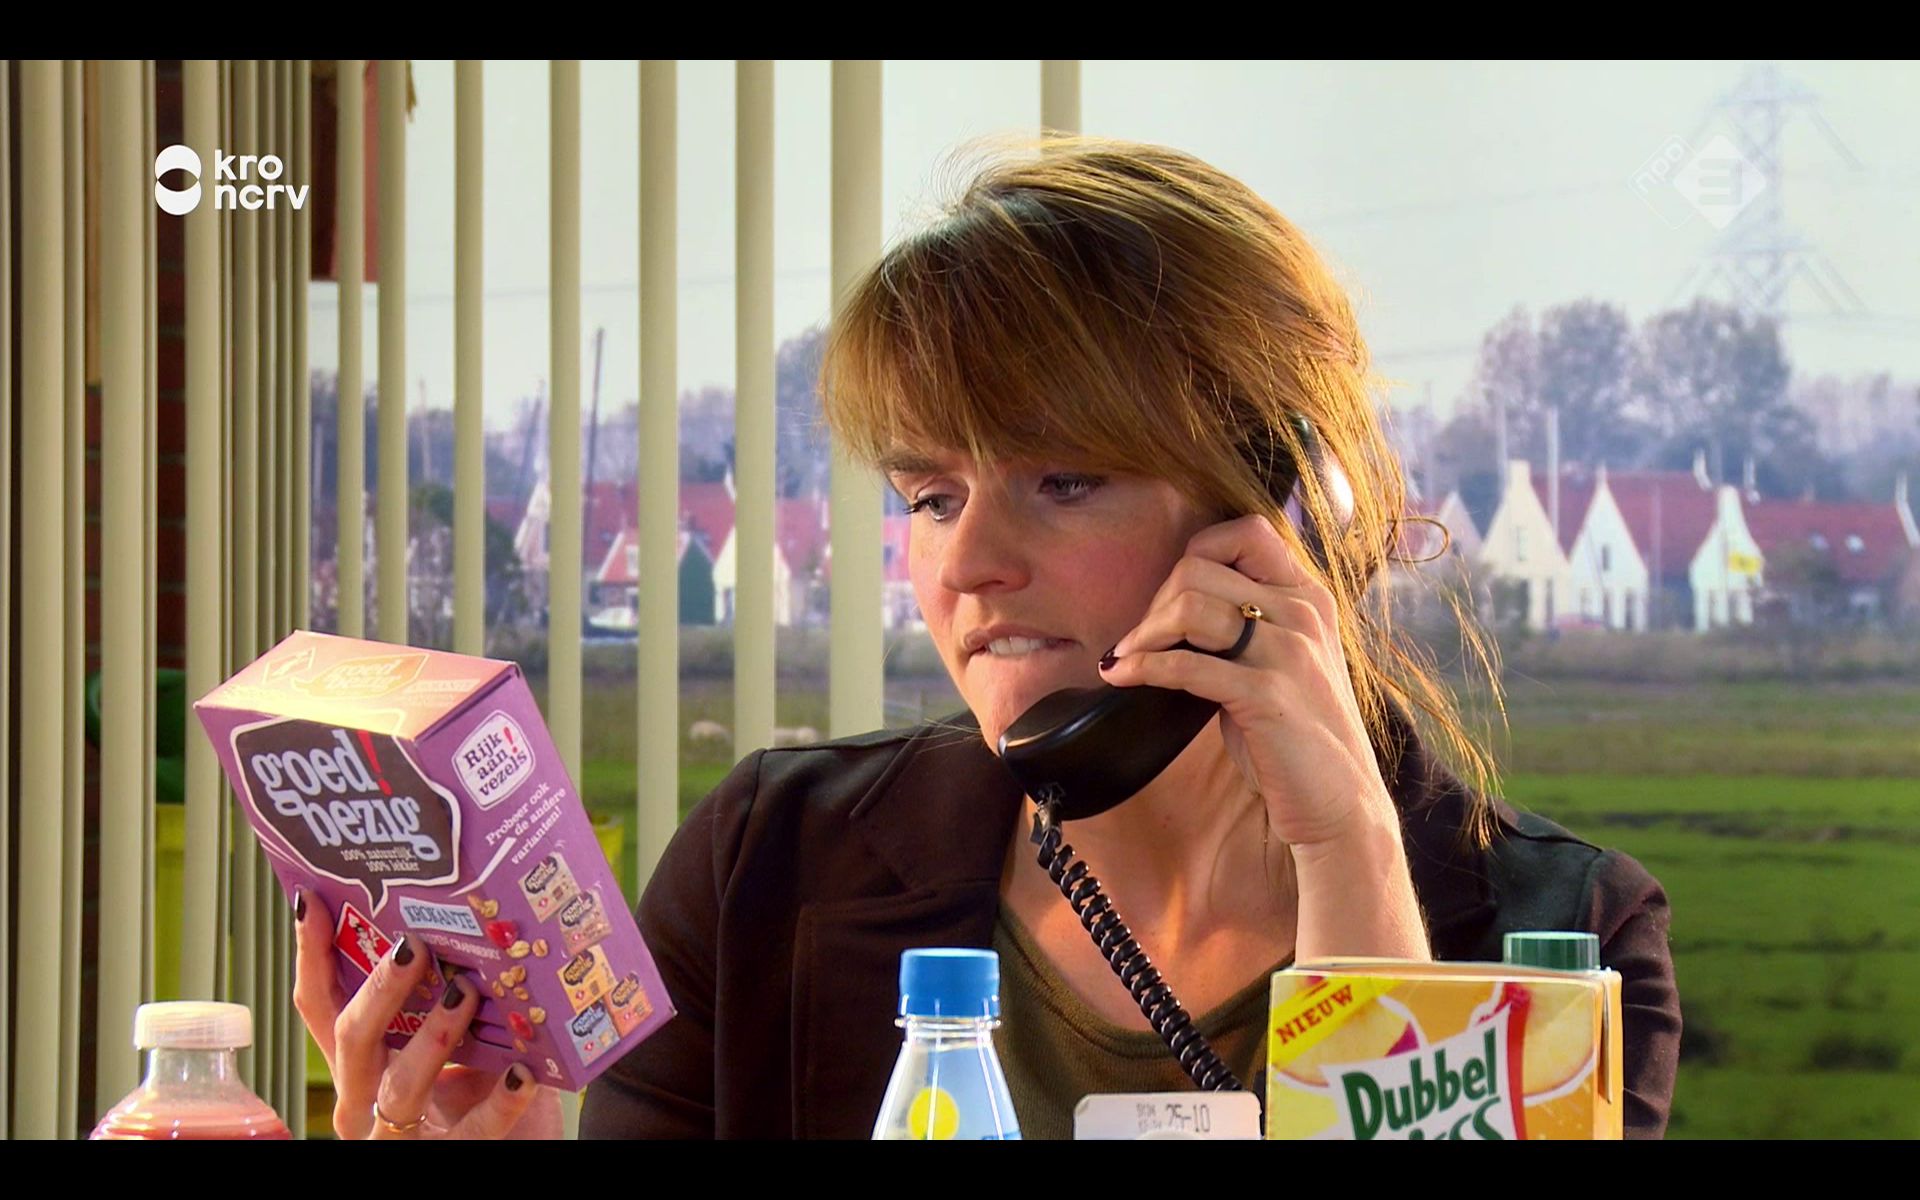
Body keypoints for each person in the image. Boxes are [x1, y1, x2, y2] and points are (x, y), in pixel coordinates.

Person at [292, 135, 1681, 1141]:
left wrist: (1348, 855)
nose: (967, 563)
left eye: (1063, 481)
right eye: (931, 496)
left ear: (1285, 514)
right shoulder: (768, 863)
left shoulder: (1566, 942)